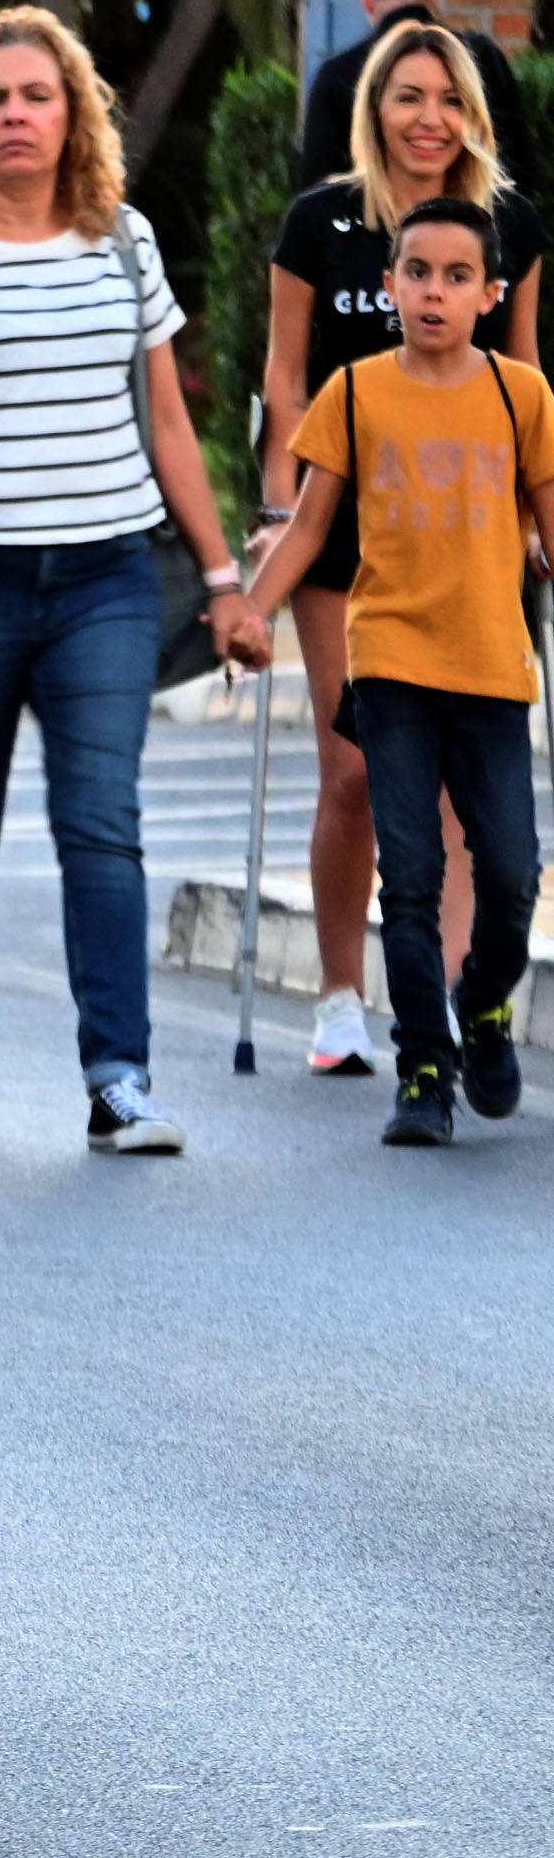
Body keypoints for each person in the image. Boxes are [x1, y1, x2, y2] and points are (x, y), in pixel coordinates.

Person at [0, 8, 246, 1153]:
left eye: (37, 96)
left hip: (107, 584)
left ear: (74, 115)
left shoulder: (122, 240)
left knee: (102, 828)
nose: (16, 116)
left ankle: (118, 1077)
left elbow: (170, 421)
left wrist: (222, 579)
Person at [226, 192, 554, 1144]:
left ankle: (483, 1004)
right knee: (407, 877)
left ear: (491, 294)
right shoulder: (357, 392)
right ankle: (423, 1066)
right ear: (388, 286)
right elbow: (310, 529)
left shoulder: (520, 395)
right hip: (392, 668)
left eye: (458, 277)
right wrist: (252, 609)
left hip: (493, 668)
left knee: (512, 875)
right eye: (417, 274)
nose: (435, 293)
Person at [260, 18, 541, 1072]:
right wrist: (279, 504)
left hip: (464, 537)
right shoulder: (317, 221)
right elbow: (285, 378)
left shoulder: (508, 226)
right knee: (356, 773)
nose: (430, 119)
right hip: (340, 532)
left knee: (461, 797)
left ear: (472, 114)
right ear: (372, 107)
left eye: (449, 99)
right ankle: (341, 995)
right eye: (407, 97)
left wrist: (524, 529)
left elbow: (525, 379)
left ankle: (460, 1008)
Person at [296, 0, 541, 203]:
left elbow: (317, 181)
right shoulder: (481, 56)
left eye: (452, 101)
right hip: (479, 222)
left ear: (366, 1)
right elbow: (518, 165)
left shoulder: (338, 73)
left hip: (376, 231)